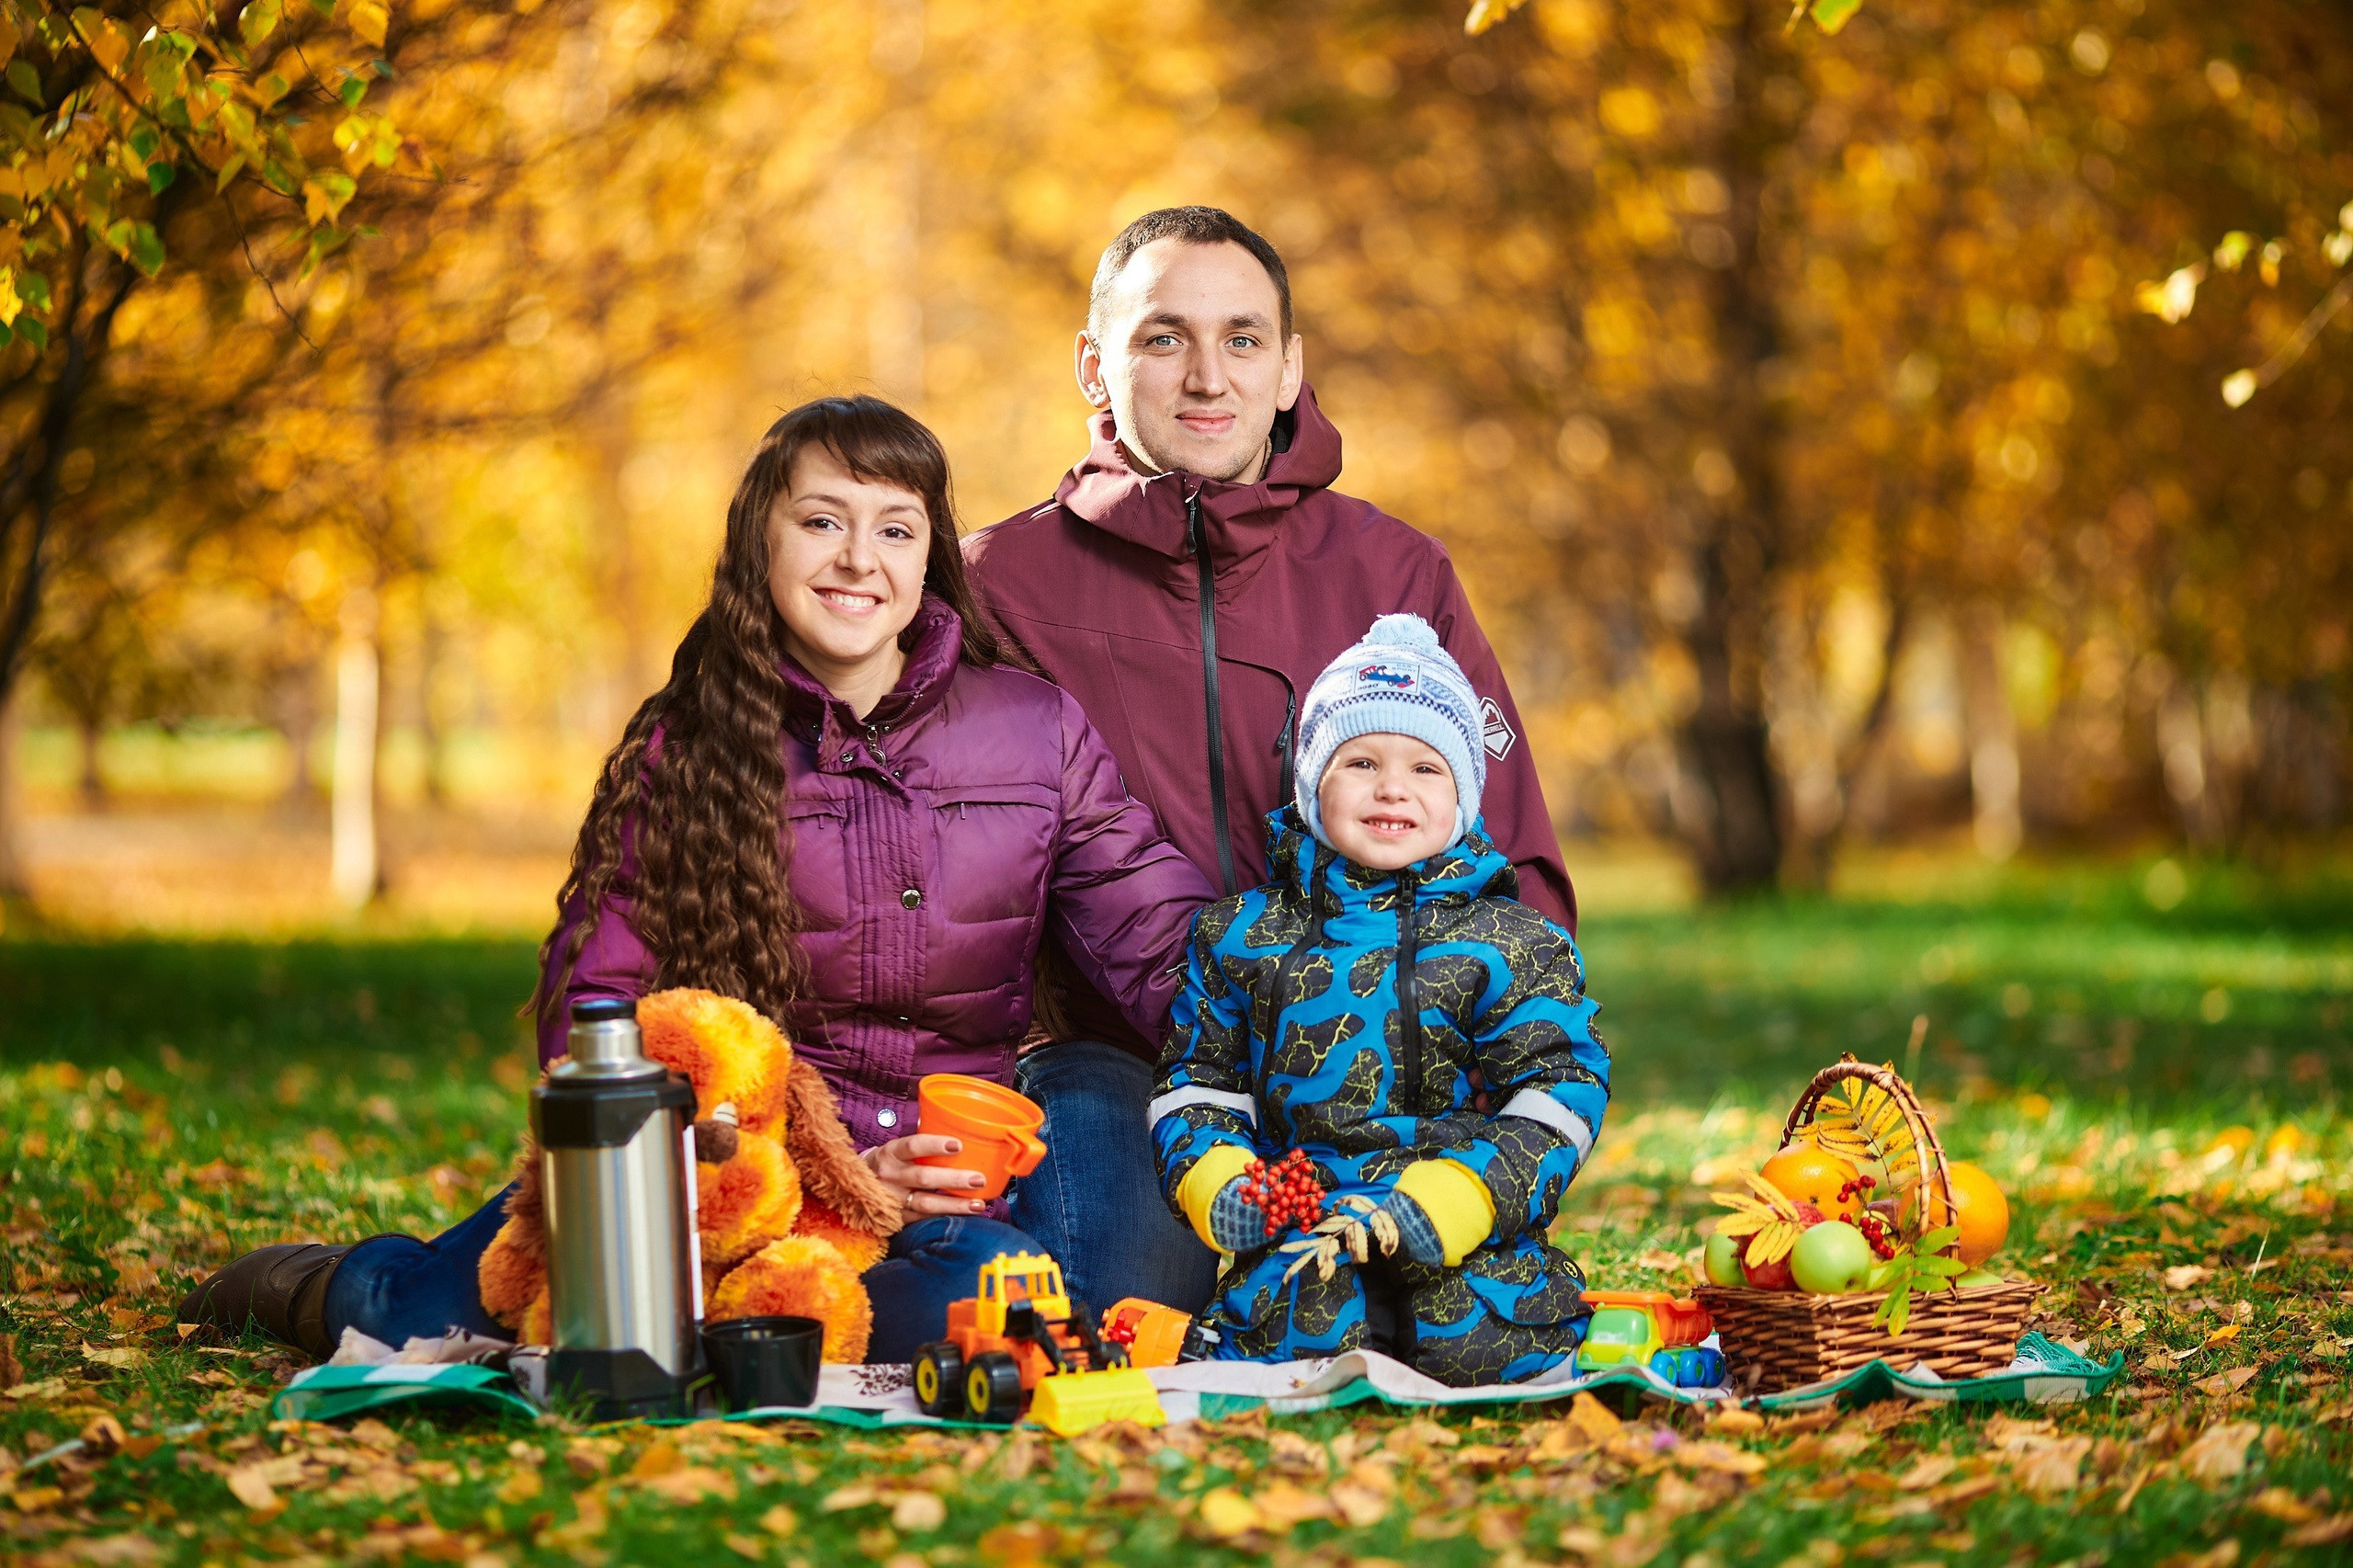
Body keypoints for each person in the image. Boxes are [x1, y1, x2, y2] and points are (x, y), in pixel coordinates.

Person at [178, 397, 1215, 1365]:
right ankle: (329, 1284)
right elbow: (594, 1005)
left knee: (991, 1298)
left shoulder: (1034, 731)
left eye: (896, 528)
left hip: (943, 1197)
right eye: (822, 521)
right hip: (715, 1178)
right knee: (443, 1318)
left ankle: (735, 1331)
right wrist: (760, 1166)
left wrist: (1322, 1002)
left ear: (930, 557)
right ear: (761, 541)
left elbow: (1160, 943)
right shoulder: (692, 744)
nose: (860, 558)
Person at [965, 205, 1578, 1316]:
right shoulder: (997, 583)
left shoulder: (1393, 568)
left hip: (1381, 1067)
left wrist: (1492, 1077)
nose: (1208, 376)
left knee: (1428, 1306)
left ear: (1290, 368)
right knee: (1136, 1309)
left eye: (1242, 338)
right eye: (1163, 337)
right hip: (1122, 1063)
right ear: (1094, 364)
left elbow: (1510, 850)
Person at [1150, 615, 1609, 1385]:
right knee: (1272, 1349)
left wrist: (1464, 1196)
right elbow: (1196, 1085)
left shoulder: (1514, 943)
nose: (1392, 786)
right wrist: (1219, 1177)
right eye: (1360, 760)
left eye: (1426, 768)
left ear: (1462, 795)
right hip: (1303, 1255)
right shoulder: (1240, 937)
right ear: (1310, 785)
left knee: (1494, 1347)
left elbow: (1561, 1094)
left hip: (1473, 1266)